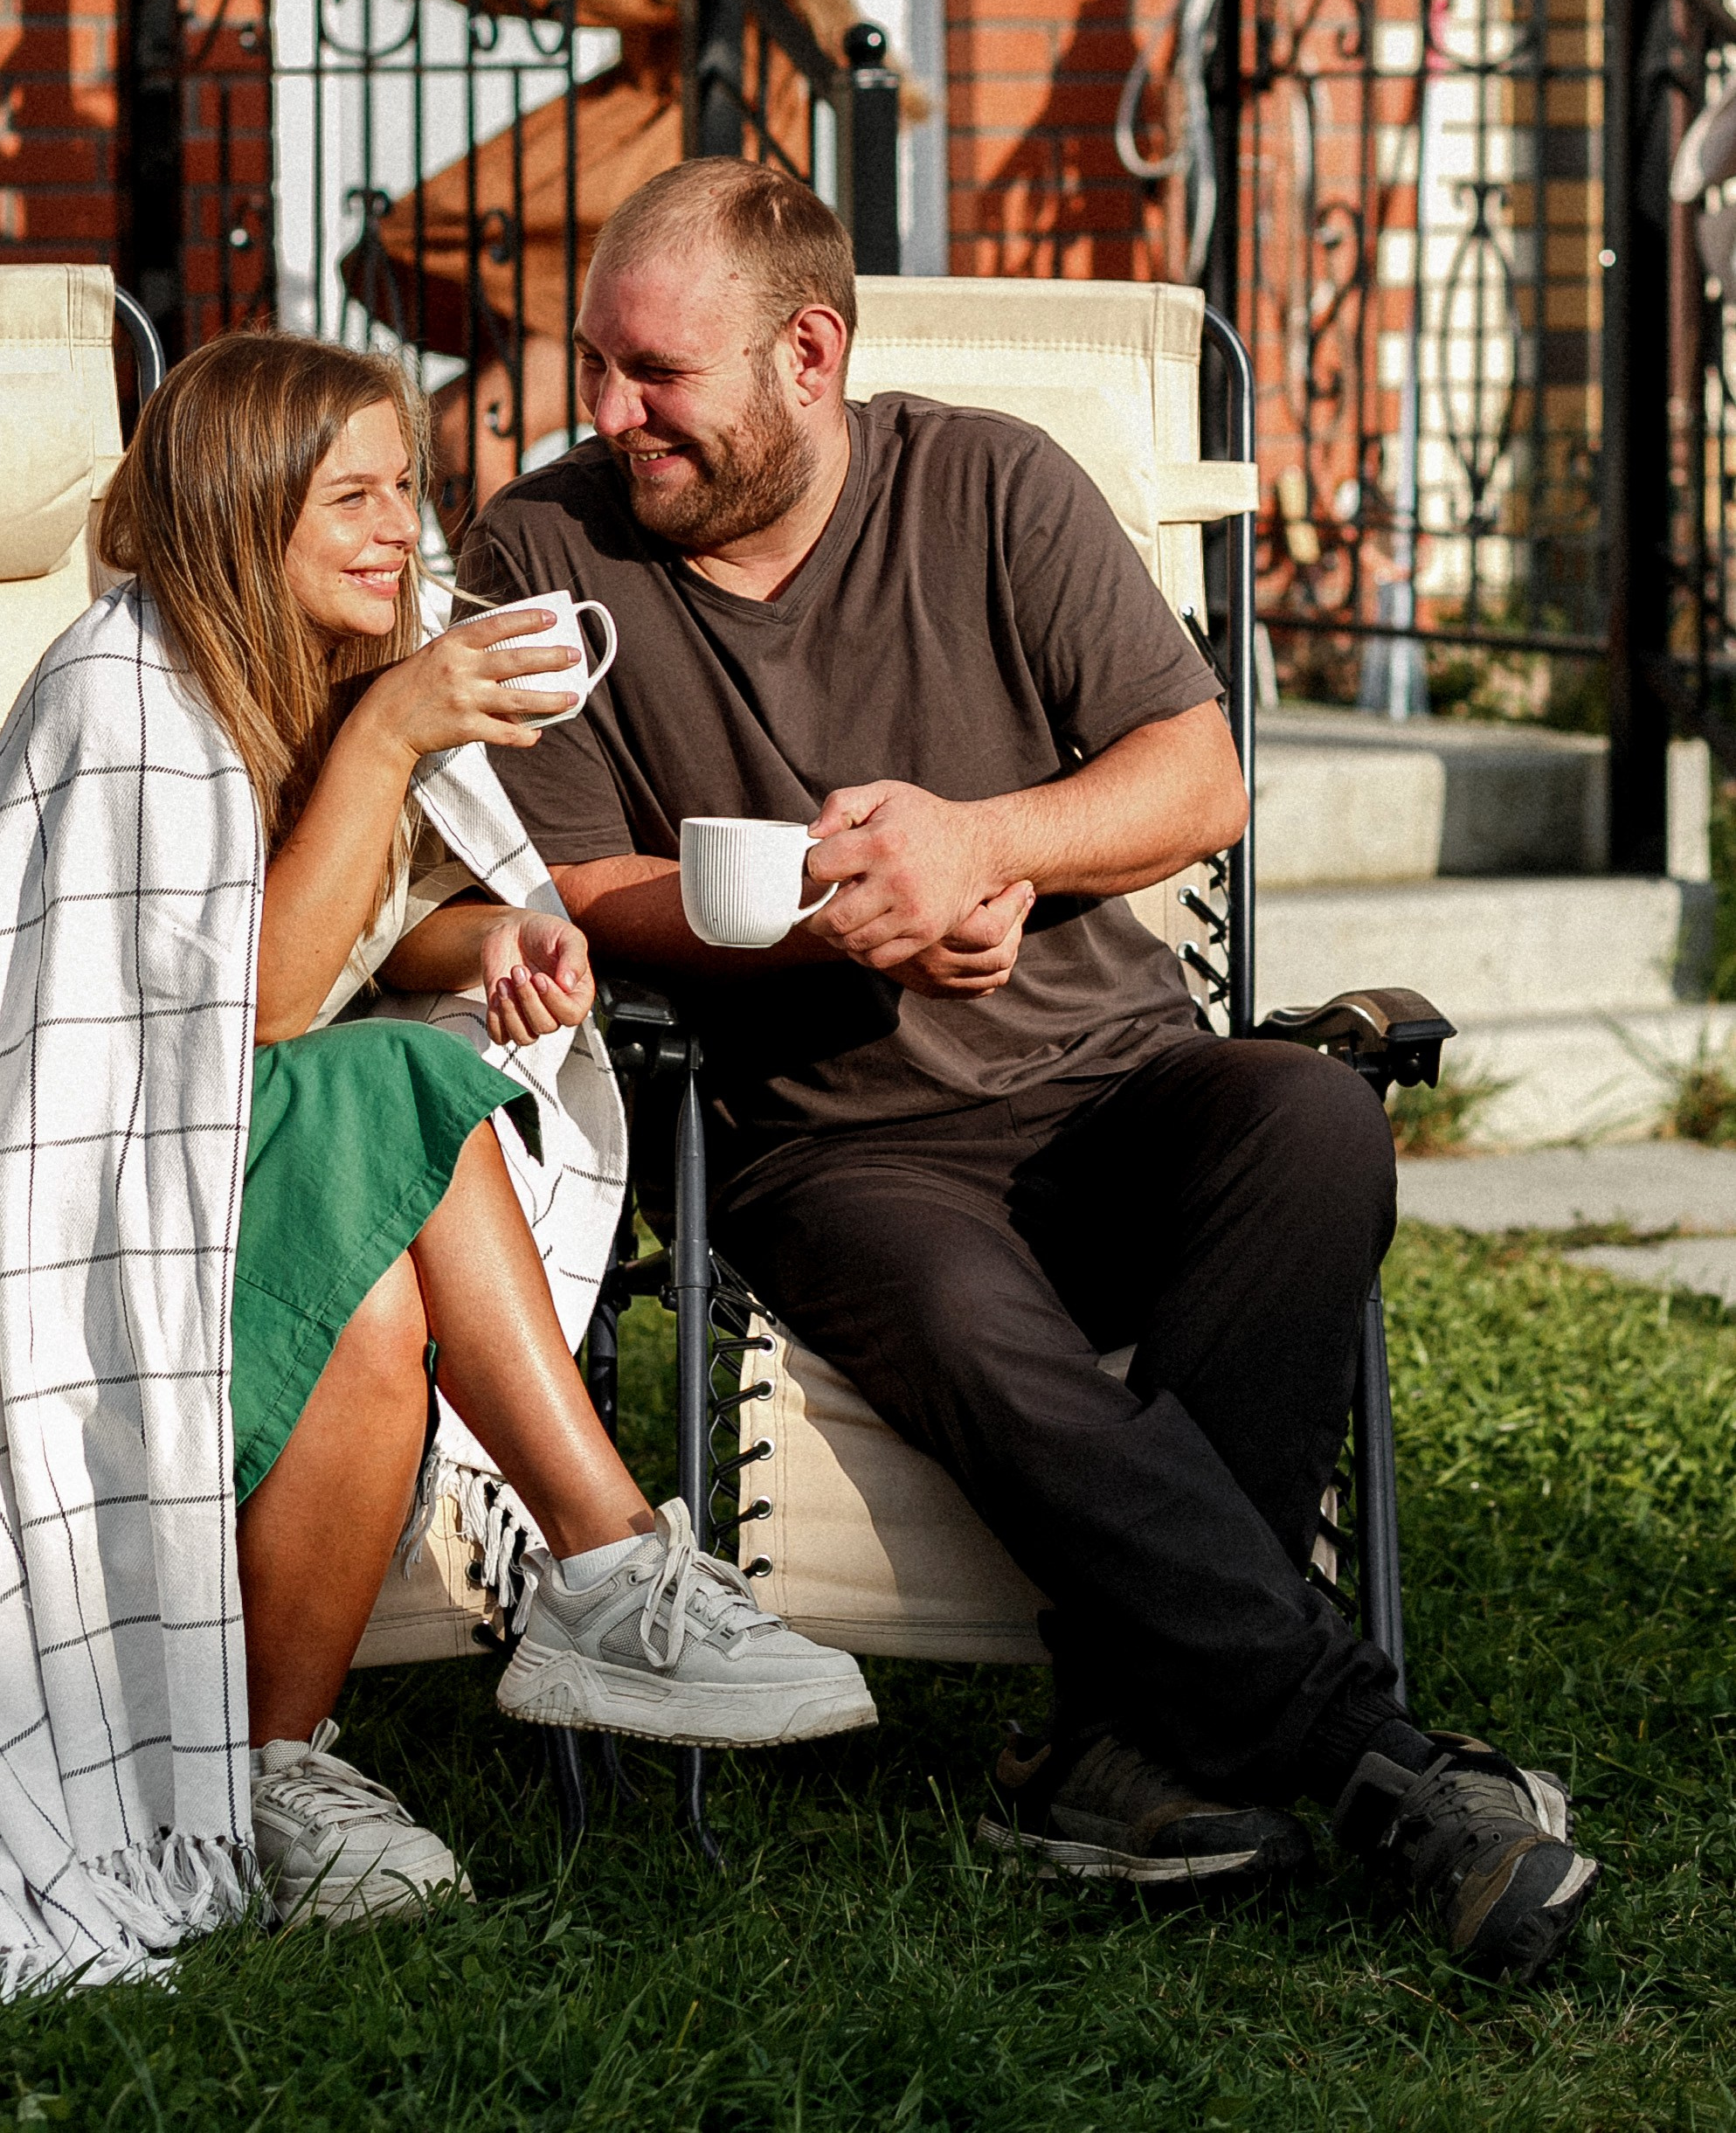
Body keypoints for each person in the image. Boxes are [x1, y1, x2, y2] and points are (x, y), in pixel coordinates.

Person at [457, 160, 1600, 1984]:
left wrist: (989, 844)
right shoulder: (547, 550)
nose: (605, 411)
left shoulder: (989, 480)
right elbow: (575, 881)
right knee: (980, 1324)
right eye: (594, 361)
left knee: (1308, 1114)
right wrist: (828, 924)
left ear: (807, 351)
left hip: (1109, 1079)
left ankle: (1121, 1741)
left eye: (652, 371)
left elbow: (1196, 772)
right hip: (839, 1148)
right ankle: (1377, 1757)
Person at [0, 331, 872, 1989]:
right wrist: (391, 736)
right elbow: (248, 998)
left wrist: (489, 940)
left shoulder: (325, 671)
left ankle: (269, 1767)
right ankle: (607, 1561)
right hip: (41, 1217)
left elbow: (361, 932)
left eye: (401, 486)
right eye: (346, 494)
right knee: (379, 1100)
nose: (392, 527)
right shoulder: (118, 692)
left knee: (373, 1283)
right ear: (235, 512)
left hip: (224, 1186)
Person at [276, 0, 920, 523]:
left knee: (475, 430)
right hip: (610, 237)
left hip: (634, 239)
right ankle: (506, 613)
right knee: (455, 430)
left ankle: (514, 617)